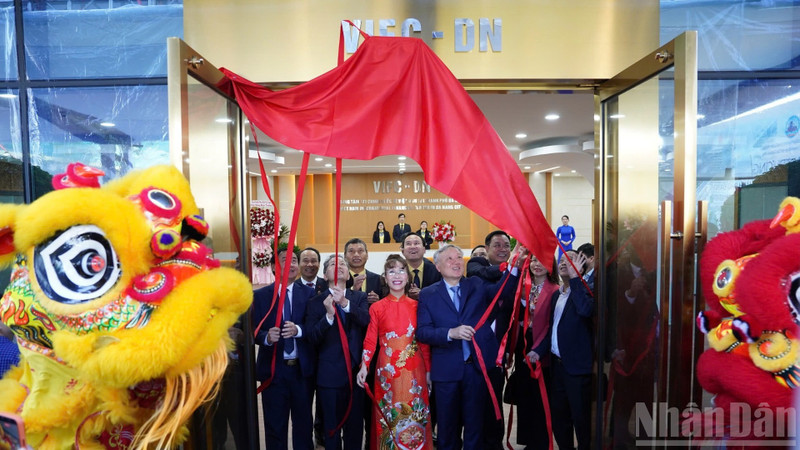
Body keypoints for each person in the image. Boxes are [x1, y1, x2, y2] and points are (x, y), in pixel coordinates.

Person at [416, 244, 523, 450]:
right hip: (446, 371)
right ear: (437, 266)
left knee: (475, 426)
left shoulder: (475, 284)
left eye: (459, 258)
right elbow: (423, 331)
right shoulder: (428, 294)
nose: (456, 262)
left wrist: (514, 266)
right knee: (447, 428)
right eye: (449, 259)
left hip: (476, 369)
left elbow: (502, 290)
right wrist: (450, 333)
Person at [356, 254, 432, 450]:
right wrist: (364, 365)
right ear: (385, 277)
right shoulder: (377, 307)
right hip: (387, 370)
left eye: (401, 270)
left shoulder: (418, 306)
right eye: (391, 271)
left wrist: (429, 370)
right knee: (388, 413)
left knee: (416, 412)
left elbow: (423, 342)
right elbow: (371, 339)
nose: (396, 275)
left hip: (415, 369)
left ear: (407, 277)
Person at [252, 248, 316, 450]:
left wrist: (299, 330)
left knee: (304, 427)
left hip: (301, 372)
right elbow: (253, 331)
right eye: (284, 260)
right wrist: (266, 338)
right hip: (274, 372)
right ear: (273, 266)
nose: (292, 264)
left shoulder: (310, 294)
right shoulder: (260, 296)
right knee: (275, 427)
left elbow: (315, 329)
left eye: (294, 260)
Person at [530, 250, 594, 450]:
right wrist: (538, 351)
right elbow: (552, 329)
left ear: (581, 265)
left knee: (581, 420)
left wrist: (576, 279)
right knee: (559, 418)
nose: (565, 262)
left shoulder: (587, 289)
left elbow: (585, 310)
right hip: (558, 367)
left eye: (572, 259)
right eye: (563, 260)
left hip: (577, 368)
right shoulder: (558, 293)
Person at [306, 254, 370, 450]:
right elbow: (312, 338)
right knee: (331, 430)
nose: (339, 265)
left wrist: (344, 304)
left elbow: (367, 322)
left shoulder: (358, 297)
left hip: (356, 373)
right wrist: (328, 317)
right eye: (333, 264)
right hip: (329, 376)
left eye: (342, 263)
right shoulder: (315, 302)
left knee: (355, 429)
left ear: (348, 273)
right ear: (325, 275)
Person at [505, 255, 559, 450]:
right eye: (534, 260)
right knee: (525, 396)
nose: (538, 265)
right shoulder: (522, 287)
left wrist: (538, 349)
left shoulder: (555, 291)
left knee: (540, 398)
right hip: (522, 347)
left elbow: (551, 326)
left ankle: (541, 441)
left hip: (541, 349)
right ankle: (529, 441)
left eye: (542, 261)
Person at [465, 230, 513, 450]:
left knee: (495, 401)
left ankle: (495, 443)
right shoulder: (477, 267)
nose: (503, 249)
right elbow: (497, 288)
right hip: (476, 351)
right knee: (476, 403)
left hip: (500, 352)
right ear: (486, 249)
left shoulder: (519, 273)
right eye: (497, 245)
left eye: (506, 245)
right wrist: (507, 269)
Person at [400, 232, 442, 300]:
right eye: (408, 244)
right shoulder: (396, 272)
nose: (412, 247)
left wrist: (423, 294)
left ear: (424, 249)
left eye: (416, 243)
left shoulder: (436, 271)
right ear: (402, 251)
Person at [344, 238, 381, 306]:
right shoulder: (340, 280)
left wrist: (379, 302)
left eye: (360, 251)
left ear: (367, 255)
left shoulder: (379, 279)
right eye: (351, 251)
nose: (356, 255)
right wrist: (353, 290)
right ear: (345, 256)